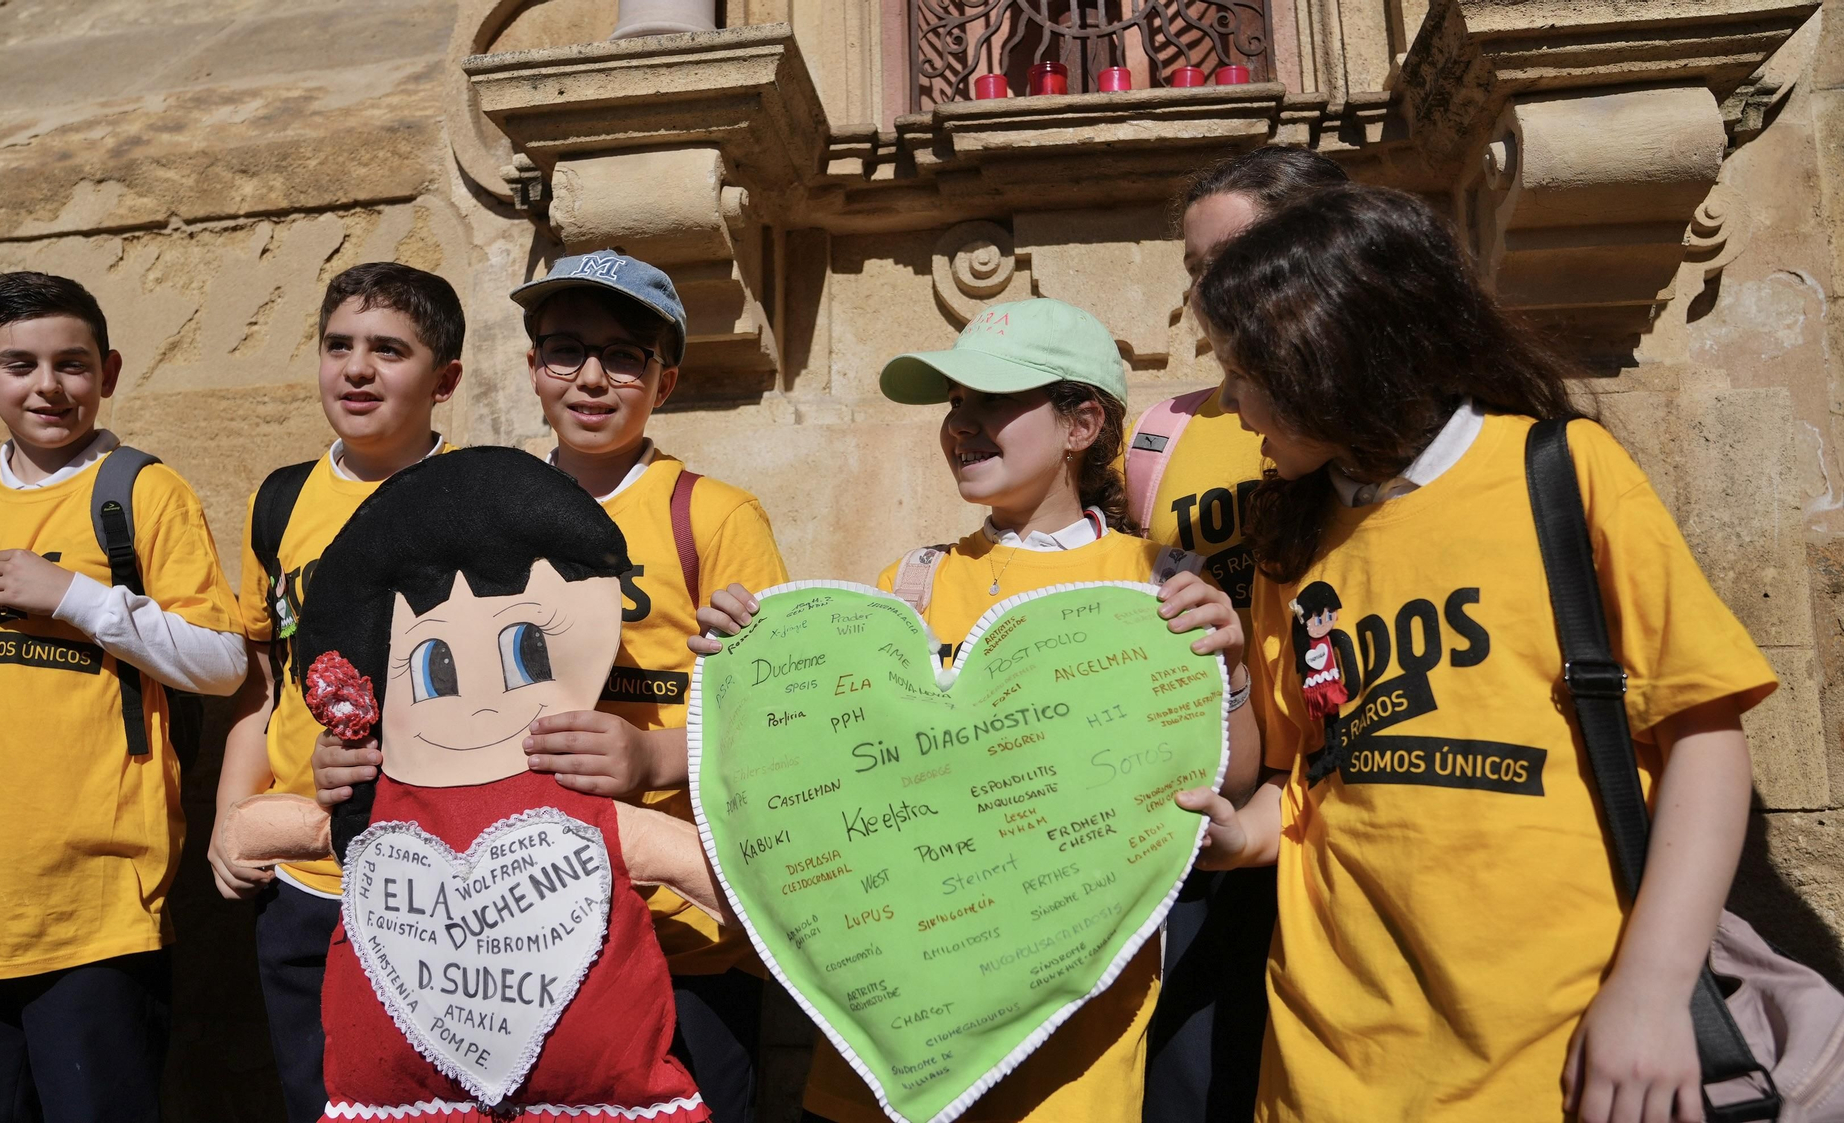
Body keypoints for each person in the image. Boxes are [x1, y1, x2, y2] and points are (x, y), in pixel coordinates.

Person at [1175, 184, 1775, 1123]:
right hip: (1327, 1071)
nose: (1231, 401)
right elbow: (1313, 780)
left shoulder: (1560, 471)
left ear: (1333, 356)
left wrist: (1654, 990)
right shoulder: (1291, 542)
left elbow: (1704, 733)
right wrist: (1238, 833)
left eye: (1246, 370)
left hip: (1566, 1054)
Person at [689, 296, 1262, 1123]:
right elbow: (834, 781)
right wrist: (753, 662)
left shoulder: (1160, 582)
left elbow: (1229, 780)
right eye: (953, 402)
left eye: (992, 399)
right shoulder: (906, 585)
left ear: (1082, 422)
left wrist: (1232, 671)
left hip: (1072, 1066)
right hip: (892, 1055)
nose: (962, 422)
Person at [314, 250, 791, 1122]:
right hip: (504, 946)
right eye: (565, 350)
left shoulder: (715, 516)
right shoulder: (478, 508)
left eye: (625, 355)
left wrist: (655, 750)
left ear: (667, 377)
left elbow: (778, 722)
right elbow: (421, 688)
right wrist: (349, 757)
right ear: (533, 367)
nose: (593, 378)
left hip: (686, 935)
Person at [0, 271, 247, 1123]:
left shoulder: (142, 493)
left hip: (98, 904)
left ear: (108, 369)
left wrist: (78, 598)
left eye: (71, 363)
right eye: (19, 364)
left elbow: (221, 661)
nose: (48, 386)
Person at [205, 261, 464, 1123]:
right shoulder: (282, 501)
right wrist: (232, 813)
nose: (357, 369)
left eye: (389, 350)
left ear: (445, 380)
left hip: (439, 884)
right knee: (318, 1100)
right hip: (306, 881)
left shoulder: (484, 500)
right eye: (338, 345)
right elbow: (264, 680)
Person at [1136, 145, 1350, 1123]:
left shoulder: (1366, 418)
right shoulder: (1163, 434)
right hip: (1216, 793)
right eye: (1196, 267)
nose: (1215, 286)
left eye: (1238, 253)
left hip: (1340, 787)